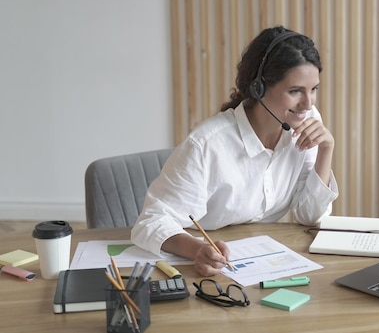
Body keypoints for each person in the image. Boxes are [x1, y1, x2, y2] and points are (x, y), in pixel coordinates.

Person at [131, 26, 339, 276]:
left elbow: (309, 215)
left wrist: (326, 150)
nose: (308, 104)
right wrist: (197, 249)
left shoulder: (305, 122)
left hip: (265, 263)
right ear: (258, 89)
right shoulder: (206, 144)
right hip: (210, 265)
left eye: (313, 89)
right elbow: (150, 223)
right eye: (295, 91)